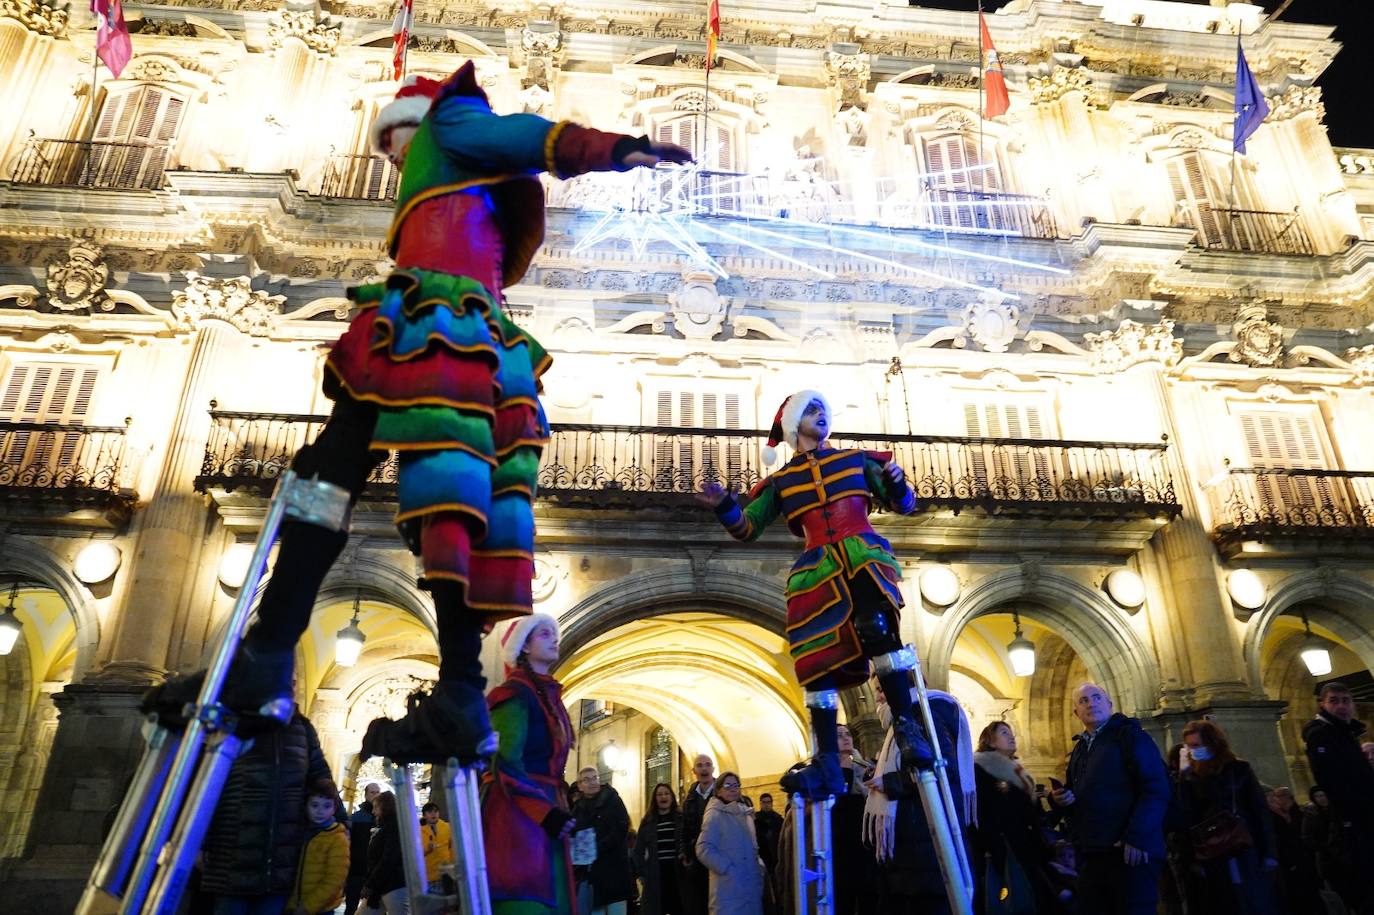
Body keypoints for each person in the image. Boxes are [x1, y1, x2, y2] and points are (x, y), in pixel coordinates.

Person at [146, 62, 693, 765]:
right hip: (467, 335)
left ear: (412, 121)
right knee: (438, 498)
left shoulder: (449, 125)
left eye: (390, 144)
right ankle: (452, 685)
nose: (390, 159)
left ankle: (273, 651)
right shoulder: (454, 174)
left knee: (337, 476)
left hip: (436, 324)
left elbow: (522, 134)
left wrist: (611, 148)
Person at [696, 391, 927, 799]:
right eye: (811, 410)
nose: (821, 416)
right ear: (793, 424)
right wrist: (724, 507)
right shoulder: (781, 482)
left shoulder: (857, 460)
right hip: (817, 569)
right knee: (815, 662)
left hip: (863, 555)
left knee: (875, 627)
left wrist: (897, 483)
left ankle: (907, 726)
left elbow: (904, 505)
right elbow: (747, 528)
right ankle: (825, 760)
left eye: (824, 409)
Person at [482, 612, 577, 914]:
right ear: (524, 646)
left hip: (546, 814)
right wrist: (545, 813)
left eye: (555, 633)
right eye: (545, 634)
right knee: (524, 897)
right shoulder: (513, 696)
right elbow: (506, 762)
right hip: (516, 820)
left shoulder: (549, 695)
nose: (555, 639)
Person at [199, 706, 334, 915]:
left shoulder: (302, 727)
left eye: (294, 681)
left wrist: (341, 826)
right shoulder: (232, 718)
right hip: (232, 856)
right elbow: (207, 783)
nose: (291, 685)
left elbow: (320, 778)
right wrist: (201, 839)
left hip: (281, 861)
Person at [1049, 682, 1169, 915]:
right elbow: (1078, 792)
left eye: (1096, 697)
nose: (1091, 703)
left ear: (1110, 704)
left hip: (1130, 851)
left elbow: (1155, 788)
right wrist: (1060, 799)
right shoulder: (1080, 748)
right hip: (1094, 852)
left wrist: (1137, 837)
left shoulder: (1130, 736)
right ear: (1076, 713)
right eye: (1083, 701)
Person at [860, 679, 975, 915]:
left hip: (930, 849)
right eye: (876, 692)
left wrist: (891, 782)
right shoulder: (907, 719)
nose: (879, 697)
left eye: (882, 689)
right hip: (916, 854)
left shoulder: (925, 711)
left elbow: (940, 768)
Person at [1170, 719, 1276, 915]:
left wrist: (1268, 851)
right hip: (1212, 851)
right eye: (1189, 746)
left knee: (1254, 900)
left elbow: (1259, 810)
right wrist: (1184, 777)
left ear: (1212, 743)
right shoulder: (1189, 777)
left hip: (1243, 844)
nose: (1193, 750)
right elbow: (1187, 816)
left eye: (1196, 745)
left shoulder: (1239, 769)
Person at [973, 721, 1064, 914]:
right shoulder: (980, 768)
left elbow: (1034, 814)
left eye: (1012, 732)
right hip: (1006, 848)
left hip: (1031, 847)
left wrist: (1054, 802)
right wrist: (994, 847)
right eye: (1004, 733)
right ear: (990, 740)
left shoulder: (1019, 771)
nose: (1012, 736)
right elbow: (982, 811)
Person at [1303, 680, 1374, 912]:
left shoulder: (1345, 732)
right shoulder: (1322, 734)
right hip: (1355, 821)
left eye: (1346, 701)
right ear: (1321, 704)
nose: (1341, 706)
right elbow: (1333, 781)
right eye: (1334, 701)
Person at [694, 772, 764, 915]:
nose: (733, 789)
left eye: (736, 785)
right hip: (728, 886)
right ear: (718, 789)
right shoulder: (715, 813)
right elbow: (703, 848)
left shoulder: (744, 813)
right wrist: (727, 868)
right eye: (727, 785)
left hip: (748, 885)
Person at [572, 766, 633, 914]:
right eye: (586, 779)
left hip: (615, 871)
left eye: (595, 778)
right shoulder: (577, 809)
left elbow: (621, 828)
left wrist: (597, 848)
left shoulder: (613, 800)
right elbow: (574, 836)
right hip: (592, 876)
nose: (592, 782)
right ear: (580, 786)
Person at [286, 780, 350, 915]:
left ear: (334, 808)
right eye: (315, 805)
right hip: (293, 905)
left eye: (327, 806)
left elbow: (335, 879)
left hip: (320, 909)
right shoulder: (301, 833)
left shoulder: (337, 838)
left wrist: (307, 907)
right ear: (306, 805)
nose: (320, 811)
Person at [1268, 786, 1324, 915]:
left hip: (1305, 859)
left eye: (1283, 796)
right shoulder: (1277, 816)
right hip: (1294, 862)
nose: (1279, 800)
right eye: (1277, 797)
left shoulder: (1299, 813)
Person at [633, 782, 684, 915]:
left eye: (666, 793)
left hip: (678, 873)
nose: (663, 797)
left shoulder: (681, 818)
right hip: (656, 873)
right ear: (655, 798)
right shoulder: (648, 821)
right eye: (659, 794)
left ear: (672, 797)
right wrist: (642, 873)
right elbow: (638, 850)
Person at [679, 753, 716, 915]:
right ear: (694, 771)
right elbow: (685, 827)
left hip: (716, 856)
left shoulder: (722, 794)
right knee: (698, 901)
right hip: (696, 858)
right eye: (700, 765)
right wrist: (684, 851)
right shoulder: (690, 797)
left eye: (707, 764)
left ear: (712, 769)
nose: (704, 768)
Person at [362, 791, 407, 915]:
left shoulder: (393, 827)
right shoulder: (387, 827)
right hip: (381, 887)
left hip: (393, 886)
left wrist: (370, 884)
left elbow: (388, 859)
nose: (373, 812)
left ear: (385, 807)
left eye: (376, 807)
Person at [345, 783, 381, 915]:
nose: (376, 795)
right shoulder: (356, 818)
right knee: (351, 906)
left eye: (378, 792)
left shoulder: (382, 820)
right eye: (372, 792)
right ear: (365, 795)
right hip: (356, 870)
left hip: (374, 872)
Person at [753, 793, 783, 906]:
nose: (766, 805)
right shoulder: (755, 820)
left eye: (768, 802)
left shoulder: (778, 819)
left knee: (777, 887)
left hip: (775, 858)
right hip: (761, 858)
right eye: (764, 802)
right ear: (760, 803)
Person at [419, 802, 452, 894]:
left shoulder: (447, 827)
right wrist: (427, 850)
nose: (433, 814)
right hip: (429, 875)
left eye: (436, 811)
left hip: (447, 873)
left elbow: (452, 847)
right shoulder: (418, 831)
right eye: (430, 812)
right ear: (424, 815)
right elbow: (416, 854)